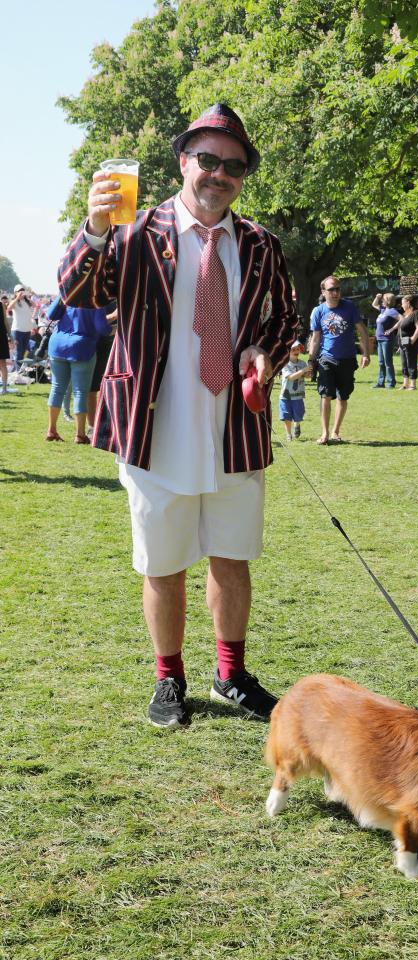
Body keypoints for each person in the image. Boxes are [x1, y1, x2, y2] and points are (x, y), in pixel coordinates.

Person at [58, 103, 297, 728]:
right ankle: (169, 680)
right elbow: (77, 292)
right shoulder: (133, 232)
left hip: (234, 429)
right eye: (208, 160)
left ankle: (231, 675)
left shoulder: (260, 244)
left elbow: (286, 319)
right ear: (183, 162)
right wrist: (93, 227)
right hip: (153, 426)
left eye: (234, 166)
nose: (219, 174)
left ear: (244, 176)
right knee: (162, 562)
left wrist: (263, 352)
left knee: (231, 556)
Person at [308, 276, 370, 444]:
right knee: (325, 395)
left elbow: (362, 331)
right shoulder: (318, 311)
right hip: (326, 359)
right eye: (331, 290)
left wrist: (366, 354)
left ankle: (335, 431)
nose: (335, 293)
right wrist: (311, 360)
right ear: (324, 292)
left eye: (338, 289)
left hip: (347, 359)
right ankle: (325, 433)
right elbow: (315, 338)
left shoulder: (349, 307)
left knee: (343, 397)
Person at [45, 297, 112, 442]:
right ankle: (80, 434)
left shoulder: (68, 294)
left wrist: (61, 295)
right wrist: (112, 327)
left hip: (57, 345)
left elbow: (50, 314)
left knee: (56, 388)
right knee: (80, 391)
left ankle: (51, 430)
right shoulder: (96, 300)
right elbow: (102, 328)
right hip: (82, 347)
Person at [87, 305, 118, 434]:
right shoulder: (98, 296)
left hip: (117, 344)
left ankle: (115, 424)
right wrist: (115, 317)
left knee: (114, 387)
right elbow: (94, 321)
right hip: (98, 346)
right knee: (92, 389)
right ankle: (92, 427)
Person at [279, 340, 311, 440]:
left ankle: (297, 425)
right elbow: (291, 377)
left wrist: (309, 373)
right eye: (293, 349)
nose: (296, 351)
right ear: (288, 351)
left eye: (298, 349)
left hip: (298, 395)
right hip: (285, 396)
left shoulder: (302, 363)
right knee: (286, 416)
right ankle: (289, 434)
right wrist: (304, 371)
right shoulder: (285, 364)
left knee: (298, 414)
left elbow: (307, 376)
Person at [388, 295, 418, 390]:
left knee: (411, 362)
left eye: (403, 303)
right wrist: (400, 344)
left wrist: (413, 339)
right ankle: (405, 384)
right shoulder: (405, 314)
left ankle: (412, 384)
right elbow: (400, 329)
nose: (401, 305)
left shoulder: (416, 313)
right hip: (402, 343)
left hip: (410, 342)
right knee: (404, 363)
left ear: (408, 303)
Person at [371, 292, 399, 388]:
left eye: (383, 299)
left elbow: (402, 319)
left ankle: (391, 383)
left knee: (388, 362)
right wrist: (377, 297)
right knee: (381, 362)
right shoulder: (383, 310)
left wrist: (392, 329)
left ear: (388, 301)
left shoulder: (392, 311)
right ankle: (380, 382)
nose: (382, 300)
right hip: (380, 339)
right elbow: (374, 304)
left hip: (387, 340)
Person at [7, 284, 34, 372]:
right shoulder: (14, 302)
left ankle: (17, 371)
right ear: (15, 292)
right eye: (19, 290)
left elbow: (36, 305)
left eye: (23, 290)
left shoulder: (27, 302)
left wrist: (28, 295)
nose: (21, 292)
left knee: (23, 352)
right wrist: (17, 298)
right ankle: (18, 372)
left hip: (27, 330)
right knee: (19, 352)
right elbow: (9, 307)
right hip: (17, 330)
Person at [0, 295, 11, 393]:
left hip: (1, 336)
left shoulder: (1, 305)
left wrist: (10, 335)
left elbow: (5, 321)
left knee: (2, 363)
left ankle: (4, 388)